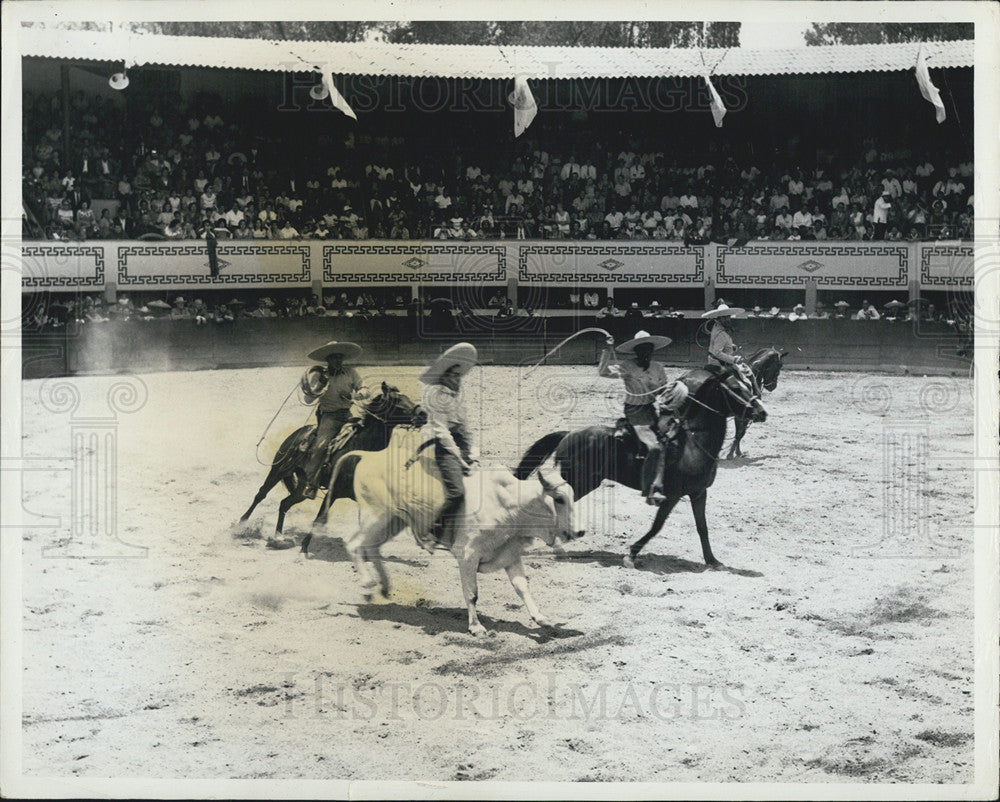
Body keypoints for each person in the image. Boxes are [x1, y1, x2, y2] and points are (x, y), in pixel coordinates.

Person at [417, 343, 479, 549]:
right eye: (454, 376)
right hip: (445, 448)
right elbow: (443, 432)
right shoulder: (438, 398)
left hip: (460, 444)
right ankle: (432, 533)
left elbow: (467, 428)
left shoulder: (458, 398)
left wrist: (473, 453)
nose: (458, 380)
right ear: (444, 378)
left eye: (459, 376)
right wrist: (460, 458)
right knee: (457, 492)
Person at [598, 330, 672, 503]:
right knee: (653, 447)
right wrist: (608, 350)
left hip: (652, 410)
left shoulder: (658, 367)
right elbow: (602, 372)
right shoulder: (626, 365)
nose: (646, 353)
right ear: (636, 351)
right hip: (634, 411)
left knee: (672, 440)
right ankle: (649, 490)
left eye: (649, 349)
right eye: (643, 349)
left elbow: (664, 390)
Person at [300, 341, 367, 500]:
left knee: (365, 439)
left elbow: (363, 387)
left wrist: (361, 393)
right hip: (329, 418)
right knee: (320, 447)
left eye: (340, 358)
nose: (338, 361)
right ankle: (311, 484)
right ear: (328, 360)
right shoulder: (319, 376)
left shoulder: (351, 373)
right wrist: (318, 387)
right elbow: (308, 399)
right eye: (334, 358)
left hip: (348, 416)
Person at [702, 304, 755, 384]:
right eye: (726, 317)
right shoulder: (721, 333)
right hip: (720, 364)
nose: (728, 319)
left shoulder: (716, 326)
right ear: (720, 318)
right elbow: (717, 352)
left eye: (728, 317)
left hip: (716, 361)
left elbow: (719, 344)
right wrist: (733, 359)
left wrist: (730, 346)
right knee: (745, 382)